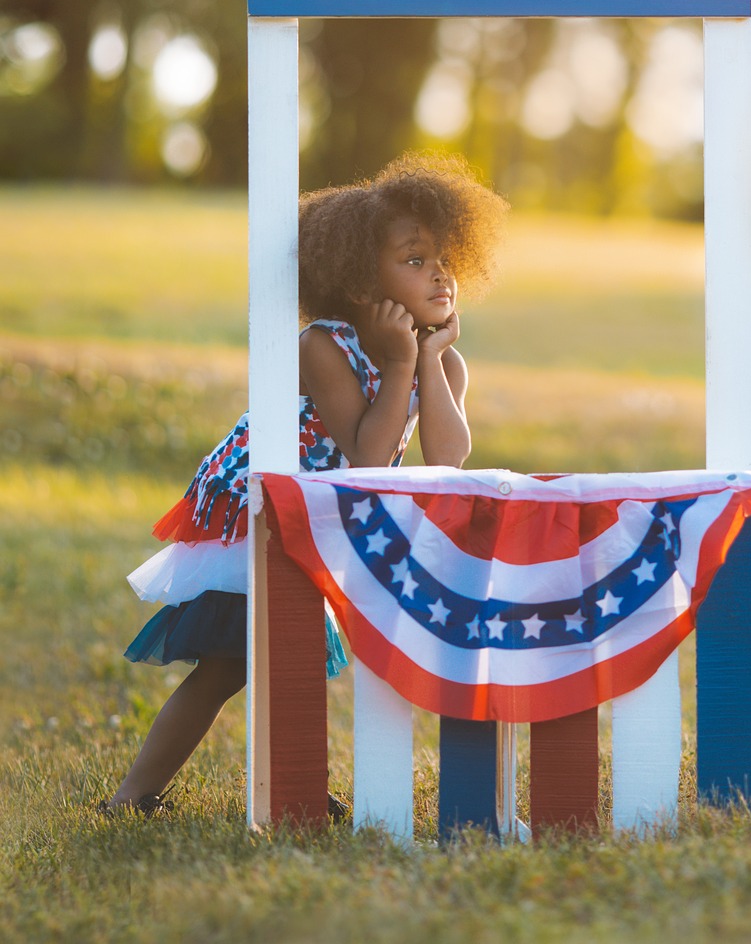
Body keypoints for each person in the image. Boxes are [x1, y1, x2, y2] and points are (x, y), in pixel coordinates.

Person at [102, 153, 508, 816]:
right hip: (259, 505)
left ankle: (290, 785)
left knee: (283, 656)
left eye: (444, 257)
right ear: (356, 281)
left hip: (323, 508)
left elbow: (449, 454)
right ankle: (134, 795)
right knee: (234, 663)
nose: (438, 273)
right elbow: (370, 453)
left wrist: (428, 359)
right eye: (413, 259)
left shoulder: (441, 355)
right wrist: (404, 359)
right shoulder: (324, 344)